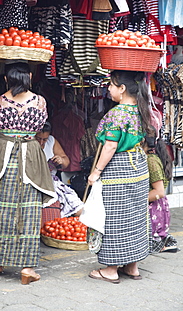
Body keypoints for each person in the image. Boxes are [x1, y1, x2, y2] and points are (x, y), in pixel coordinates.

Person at [0, 62, 56, 284]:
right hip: (30, 156)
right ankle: (27, 268)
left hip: (1, 157)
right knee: (28, 211)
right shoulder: (40, 102)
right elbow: (39, 128)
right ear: (29, 78)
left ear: (6, 79)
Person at [87, 70, 152, 284]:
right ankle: (132, 267)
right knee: (134, 217)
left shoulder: (117, 113)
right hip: (139, 169)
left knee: (115, 218)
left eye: (111, 85)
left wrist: (95, 172)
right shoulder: (142, 110)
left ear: (122, 89)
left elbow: (111, 146)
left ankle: (111, 269)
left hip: (119, 169)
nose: (108, 89)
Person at [35, 122, 84, 220]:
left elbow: (66, 161)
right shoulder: (29, 142)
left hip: (52, 181)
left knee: (79, 209)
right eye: (38, 138)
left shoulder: (52, 141)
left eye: (44, 139)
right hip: (37, 182)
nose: (41, 142)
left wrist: (60, 160)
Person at [144, 132, 178, 253]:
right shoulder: (152, 158)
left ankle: (163, 245)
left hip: (153, 205)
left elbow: (159, 191)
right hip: (156, 204)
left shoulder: (151, 161)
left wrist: (137, 200)